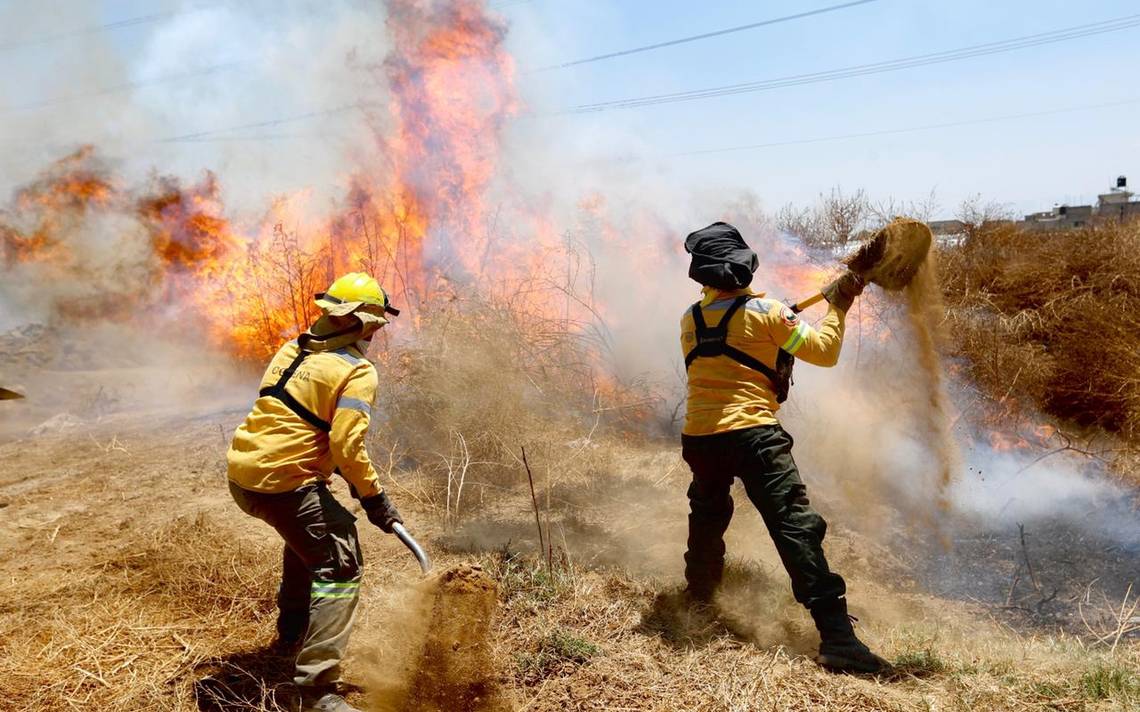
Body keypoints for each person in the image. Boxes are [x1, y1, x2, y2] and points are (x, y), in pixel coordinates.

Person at [678, 222, 889, 673]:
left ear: (703, 277)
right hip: (753, 435)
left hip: (700, 437)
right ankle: (838, 638)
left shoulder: (691, 320)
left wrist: (777, 319)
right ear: (744, 267)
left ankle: (698, 597)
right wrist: (839, 306)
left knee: (708, 512)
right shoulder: (769, 314)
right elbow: (825, 351)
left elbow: (732, 342)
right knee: (795, 525)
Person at [227, 272, 406, 712]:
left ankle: (291, 633)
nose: (375, 335)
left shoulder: (292, 349)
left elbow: (300, 421)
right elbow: (347, 444)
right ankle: (315, 690)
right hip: (281, 483)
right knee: (340, 561)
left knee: (309, 534)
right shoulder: (358, 371)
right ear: (360, 324)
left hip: (242, 473)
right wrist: (374, 498)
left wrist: (335, 475)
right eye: (375, 326)